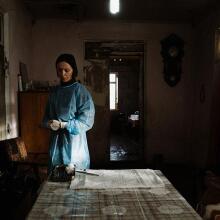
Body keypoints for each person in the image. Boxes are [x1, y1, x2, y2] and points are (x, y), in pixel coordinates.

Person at [42, 53, 95, 174]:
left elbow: (87, 122)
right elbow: (46, 118)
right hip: (56, 143)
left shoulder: (80, 91)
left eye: (67, 70)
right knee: (56, 177)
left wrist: (63, 125)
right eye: (59, 70)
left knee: (75, 177)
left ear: (73, 70)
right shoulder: (54, 92)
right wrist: (49, 124)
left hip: (75, 143)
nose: (63, 74)